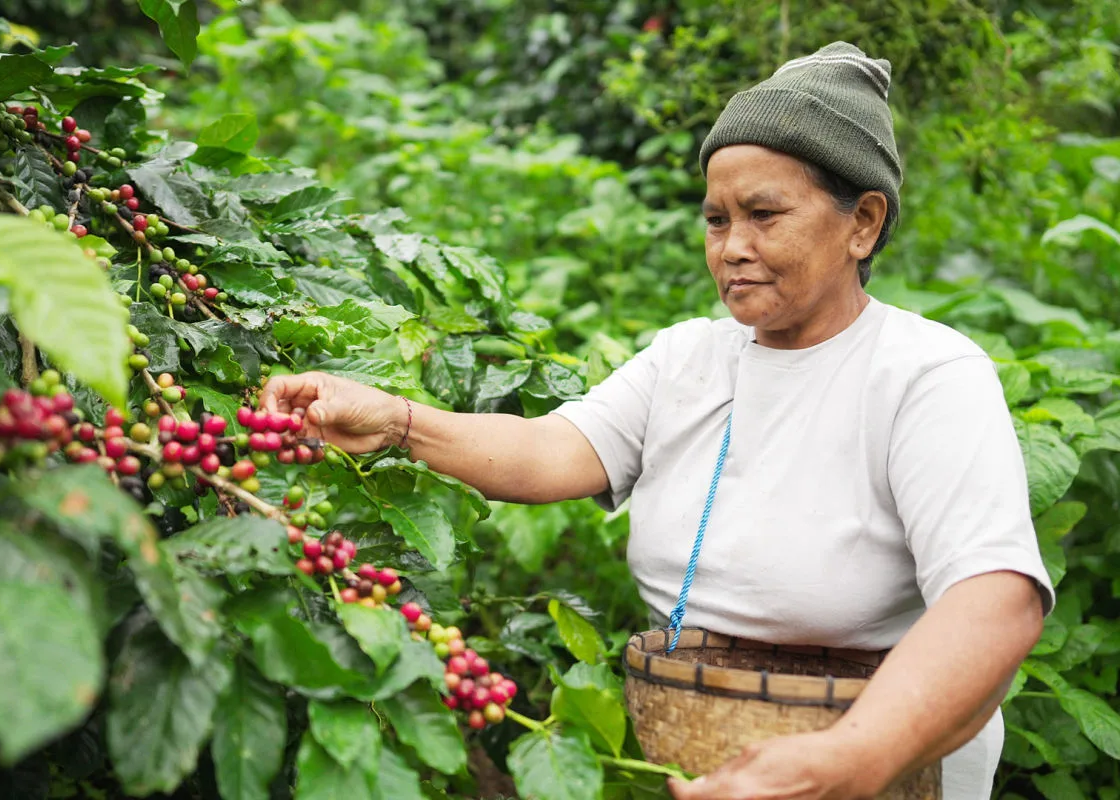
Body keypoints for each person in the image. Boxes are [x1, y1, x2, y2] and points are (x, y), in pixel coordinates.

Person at [261, 42, 1053, 800]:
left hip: (883, 766)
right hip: (692, 738)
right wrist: (396, 421)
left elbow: (996, 599)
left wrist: (851, 759)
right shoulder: (689, 359)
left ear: (864, 223)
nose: (732, 247)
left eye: (764, 214)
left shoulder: (926, 376)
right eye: (717, 220)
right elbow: (551, 451)